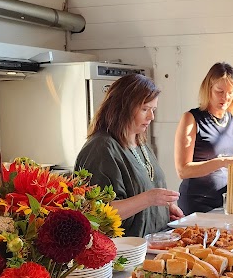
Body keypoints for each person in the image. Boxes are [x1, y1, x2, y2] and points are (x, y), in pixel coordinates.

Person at [75, 73, 183, 238]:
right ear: (122, 107)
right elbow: (96, 213)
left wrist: (164, 208)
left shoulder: (140, 142)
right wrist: (149, 199)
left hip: (156, 242)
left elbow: (143, 192)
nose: (151, 117)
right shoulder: (100, 149)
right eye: (145, 109)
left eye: (153, 110)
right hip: (126, 249)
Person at [175, 62, 233, 215]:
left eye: (230, 93)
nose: (225, 98)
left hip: (227, 202)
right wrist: (222, 162)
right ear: (208, 89)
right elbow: (183, 170)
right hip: (197, 202)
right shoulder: (191, 118)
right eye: (219, 91)